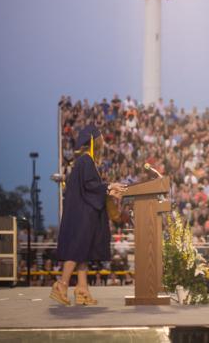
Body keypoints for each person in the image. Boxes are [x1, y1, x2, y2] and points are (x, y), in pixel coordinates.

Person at [51, 125, 126, 306]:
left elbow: (91, 188)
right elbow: (90, 185)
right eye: (99, 139)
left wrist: (109, 191)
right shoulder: (86, 160)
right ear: (93, 142)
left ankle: (82, 289)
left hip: (84, 212)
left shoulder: (86, 161)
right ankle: (62, 284)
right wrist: (109, 186)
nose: (102, 142)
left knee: (83, 251)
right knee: (77, 249)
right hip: (83, 215)